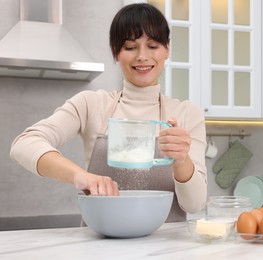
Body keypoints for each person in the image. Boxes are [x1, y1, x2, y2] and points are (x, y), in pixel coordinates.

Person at [9, 3, 207, 222]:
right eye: (130, 47)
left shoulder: (188, 113)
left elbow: (194, 205)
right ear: (115, 52)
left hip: (168, 250)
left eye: (152, 45)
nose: (142, 56)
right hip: (101, 248)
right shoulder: (91, 104)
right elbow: (24, 144)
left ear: (167, 49)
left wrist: (181, 161)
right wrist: (81, 177)